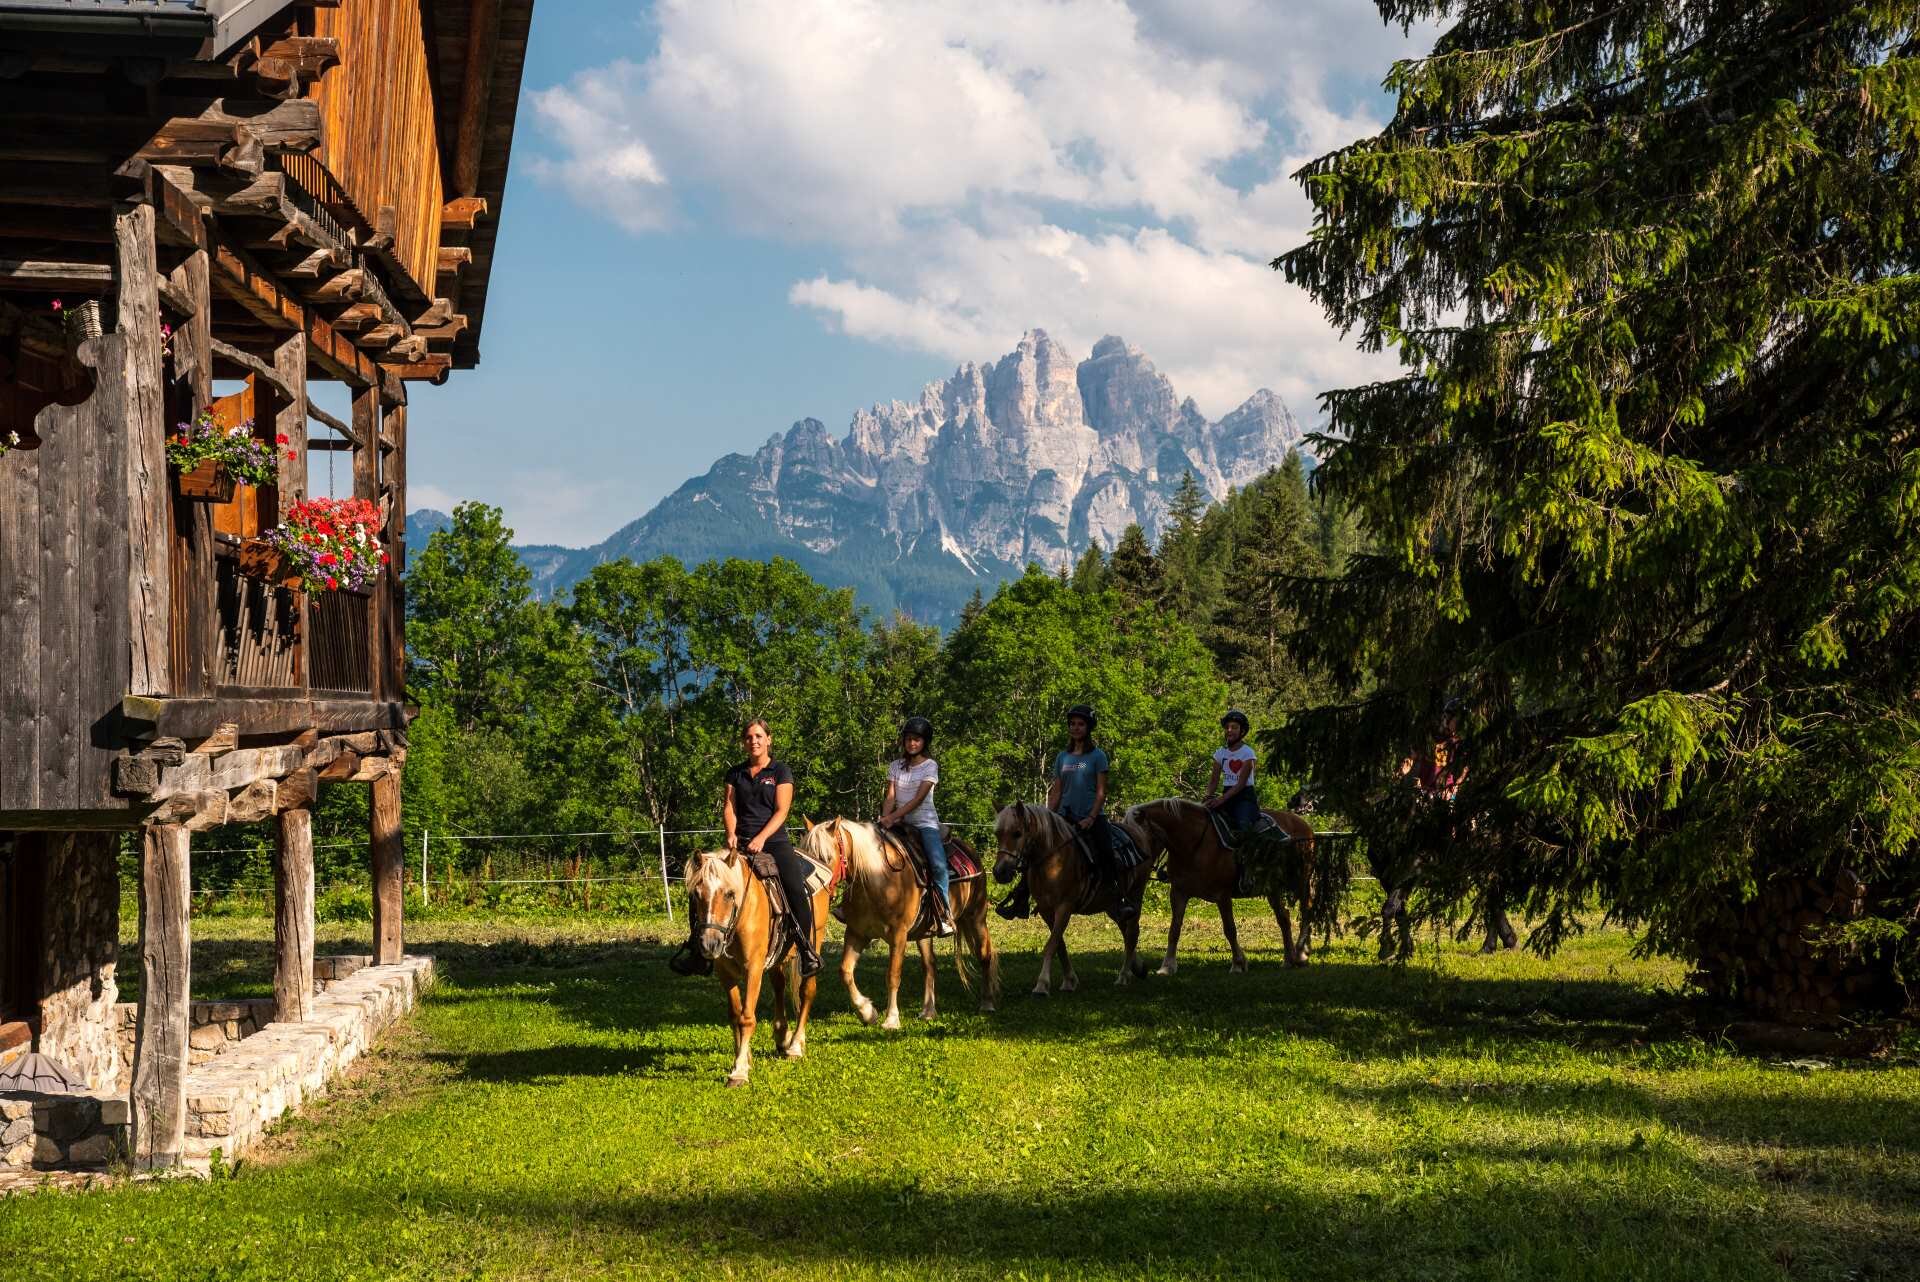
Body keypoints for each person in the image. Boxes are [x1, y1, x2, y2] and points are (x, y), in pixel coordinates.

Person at [670, 719, 823, 978]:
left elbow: (782, 810)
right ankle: (698, 952)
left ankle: (806, 950)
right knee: (703, 886)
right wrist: (731, 834)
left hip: (774, 841)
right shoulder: (735, 773)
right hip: (738, 844)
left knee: (796, 889)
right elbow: (729, 806)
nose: (754, 741)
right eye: (749, 737)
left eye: (759, 736)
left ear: (769, 739)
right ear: (744, 742)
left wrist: (762, 837)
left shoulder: (780, 771)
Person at [1048, 704, 1136, 918]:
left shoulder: (1098, 756)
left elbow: (1101, 792)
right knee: (1037, 850)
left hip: (1092, 817)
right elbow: (1057, 791)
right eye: (1072, 724)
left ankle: (1119, 898)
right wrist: (1047, 816)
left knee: (1107, 852)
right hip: (1063, 817)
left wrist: (1091, 817)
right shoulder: (1062, 757)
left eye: (1080, 724)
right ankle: (1022, 897)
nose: (1075, 728)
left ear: (1088, 728)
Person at [878, 715, 953, 937]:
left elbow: (918, 799)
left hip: (925, 823)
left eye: (917, 740)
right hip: (898, 822)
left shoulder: (930, 766)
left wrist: (893, 818)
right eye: (909, 739)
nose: (912, 743)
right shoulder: (895, 766)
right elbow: (890, 796)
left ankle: (944, 913)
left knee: (938, 865)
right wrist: (884, 819)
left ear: (924, 743)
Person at [1205, 709, 1261, 833]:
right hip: (1226, 795)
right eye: (1227, 727)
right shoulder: (1220, 753)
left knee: (1243, 827)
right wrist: (1207, 796)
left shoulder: (1248, 753)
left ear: (1242, 731)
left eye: (1234, 727)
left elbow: (1241, 784)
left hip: (1244, 797)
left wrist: (1220, 799)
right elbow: (1213, 781)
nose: (1229, 730)